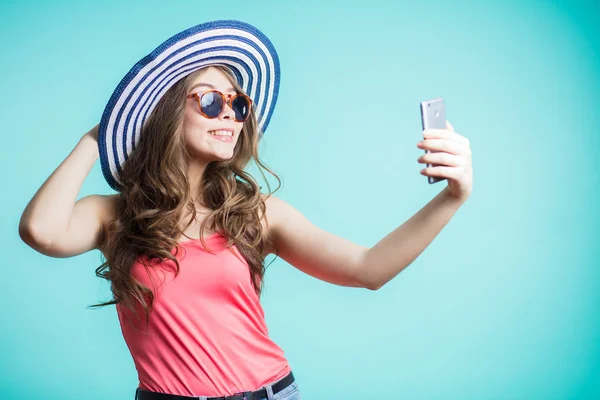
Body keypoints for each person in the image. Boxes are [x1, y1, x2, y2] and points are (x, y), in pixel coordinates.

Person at [18, 20, 473, 400]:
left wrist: (452, 197)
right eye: (211, 101)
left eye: (237, 104)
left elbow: (367, 268)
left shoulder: (255, 212)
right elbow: (41, 231)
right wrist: (95, 139)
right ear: (165, 114)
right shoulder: (113, 215)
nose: (230, 115)